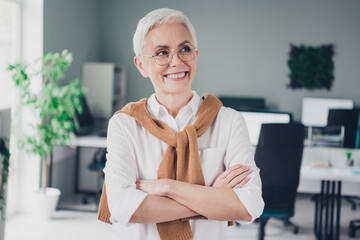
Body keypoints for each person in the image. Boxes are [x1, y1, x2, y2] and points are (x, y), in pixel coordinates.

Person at [98, 8, 264, 240]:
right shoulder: (124, 124)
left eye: (184, 49)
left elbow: (250, 206)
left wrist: (167, 187)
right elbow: (123, 207)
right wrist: (211, 197)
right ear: (141, 65)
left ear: (195, 55)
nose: (176, 62)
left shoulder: (228, 121)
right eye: (162, 53)